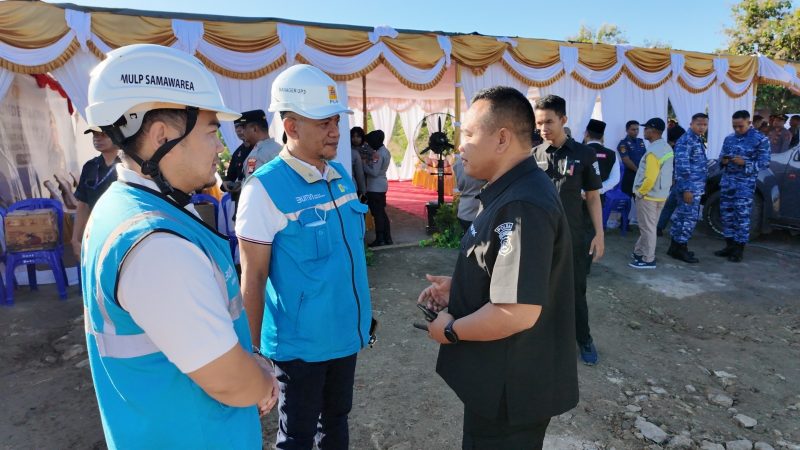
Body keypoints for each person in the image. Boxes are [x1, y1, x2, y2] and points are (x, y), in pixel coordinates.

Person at [81, 44, 277, 449]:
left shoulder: (126, 208)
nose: (220, 147)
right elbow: (229, 381)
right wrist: (262, 379)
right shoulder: (156, 245)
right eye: (210, 131)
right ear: (162, 136)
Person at [418, 86, 578, 449]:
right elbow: (508, 271)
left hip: (511, 388)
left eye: (471, 134)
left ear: (502, 138)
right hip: (500, 381)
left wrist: (451, 330)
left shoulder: (522, 202)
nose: (461, 145)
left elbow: (516, 311)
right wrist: (460, 285)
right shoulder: (510, 190)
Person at [235, 64, 373, 450]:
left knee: (336, 423)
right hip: (299, 347)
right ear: (291, 126)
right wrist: (252, 354)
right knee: (296, 436)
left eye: (336, 121)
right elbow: (254, 278)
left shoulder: (340, 176)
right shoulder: (264, 189)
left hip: (345, 334)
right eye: (324, 122)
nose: (335, 130)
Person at [532, 94, 604, 366]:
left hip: (573, 238)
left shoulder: (584, 154)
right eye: (539, 123)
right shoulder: (534, 155)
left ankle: (583, 338)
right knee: (541, 292)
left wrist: (599, 234)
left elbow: (594, 196)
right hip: (541, 239)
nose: (543, 129)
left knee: (575, 292)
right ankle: (545, 339)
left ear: (563, 119)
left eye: (549, 122)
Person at [714, 110, 771, 262]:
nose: (737, 129)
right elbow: (721, 156)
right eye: (735, 126)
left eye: (740, 126)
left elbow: (765, 163)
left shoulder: (760, 139)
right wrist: (723, 161)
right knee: (726, 215)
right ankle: (729, 246)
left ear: (749, 123)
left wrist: (746, 162)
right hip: (727, 183)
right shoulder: (729, 138)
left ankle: (738, 250)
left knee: (741, 217)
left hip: (744, 185)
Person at [629, 118, 673, 269]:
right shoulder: (666, 147)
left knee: (647, 228)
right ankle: (639, 251)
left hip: (649, 196)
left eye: (646, 128)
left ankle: (648, 259)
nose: (644, 131)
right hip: (661, 194)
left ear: (653, 131)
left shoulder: (654, 151)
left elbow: (650, 177)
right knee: (650, 227)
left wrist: (640, 192)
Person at [70, 128, 120, 259]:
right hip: (96, 233)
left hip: (122, 232)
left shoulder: (129, 166)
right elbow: (83, 204)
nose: (97, 138)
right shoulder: (90, 166)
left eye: (104, 134)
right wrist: (75, 239)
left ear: (118, 135)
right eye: (95, 134)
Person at [668, 112, 709, 263]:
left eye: (704, 124)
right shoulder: (686, 140)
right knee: (687, 219)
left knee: (682, 217)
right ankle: (680, 248)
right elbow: (682, 167)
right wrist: (687, 189)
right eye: (699, 124)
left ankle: (675, 248)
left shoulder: (697, 139)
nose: (702, 127)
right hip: (689, 188)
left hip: (694, 187)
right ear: (691, 124)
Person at [363, 129, 393, 246]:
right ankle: (387, 238)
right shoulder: (386, 151)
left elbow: (374, 172)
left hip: (375, 186)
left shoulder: (378, 154)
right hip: (382, 184)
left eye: (370, 142)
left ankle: (380, 239)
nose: (369, 144)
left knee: (377, 214)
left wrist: (363, 164)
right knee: (382, 213)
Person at [656, 124, 686, 236]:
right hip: (677, 181)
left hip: (675, 181)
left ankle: (659, 227)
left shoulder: (673, 147)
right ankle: (661, 228)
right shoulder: (674, 148)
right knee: (672, 206)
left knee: (669, 205)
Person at [583, 119, 619, 199]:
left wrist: (582, 191)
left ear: (586, 134)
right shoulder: (612, 154)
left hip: (578, 198)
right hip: (599, 198)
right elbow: (615, 179)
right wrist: (598, 190)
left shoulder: (578, 150)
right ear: (602, 136)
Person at [241, 109, 282, 177]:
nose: (242, 132)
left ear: (255, 129)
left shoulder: (255, 156)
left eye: (244, 128)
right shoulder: (279, 148)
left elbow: (252, 183)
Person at [452, 152, 485, 233]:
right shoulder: (483, 160)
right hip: (478, 211)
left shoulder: (458, 163)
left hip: (463, 210)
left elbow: (459, 187)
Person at [221, 122, 253, 199]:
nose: (238, 130)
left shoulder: (261, 149)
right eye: (236, 127)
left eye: (241, 126)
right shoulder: (238, 152)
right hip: (242, 198)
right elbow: (230, 177)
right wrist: (225, 185)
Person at [617, 120, 647, 198]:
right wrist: (638, 171)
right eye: (633, 129)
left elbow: (646, 157)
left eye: (637, 129)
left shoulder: (641, 142)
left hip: (641, 175)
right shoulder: (623, 144)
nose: (636, 131)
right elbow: (626, 160)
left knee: (641, 200)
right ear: (627, 130)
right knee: (626, 201)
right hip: (630, 176)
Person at [350, 127, 368, 198]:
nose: (355, 139)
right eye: (353, 136)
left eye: (358, 136)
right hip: (357, 182)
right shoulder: (351, 151)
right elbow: (359, 174)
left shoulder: (367, 148)